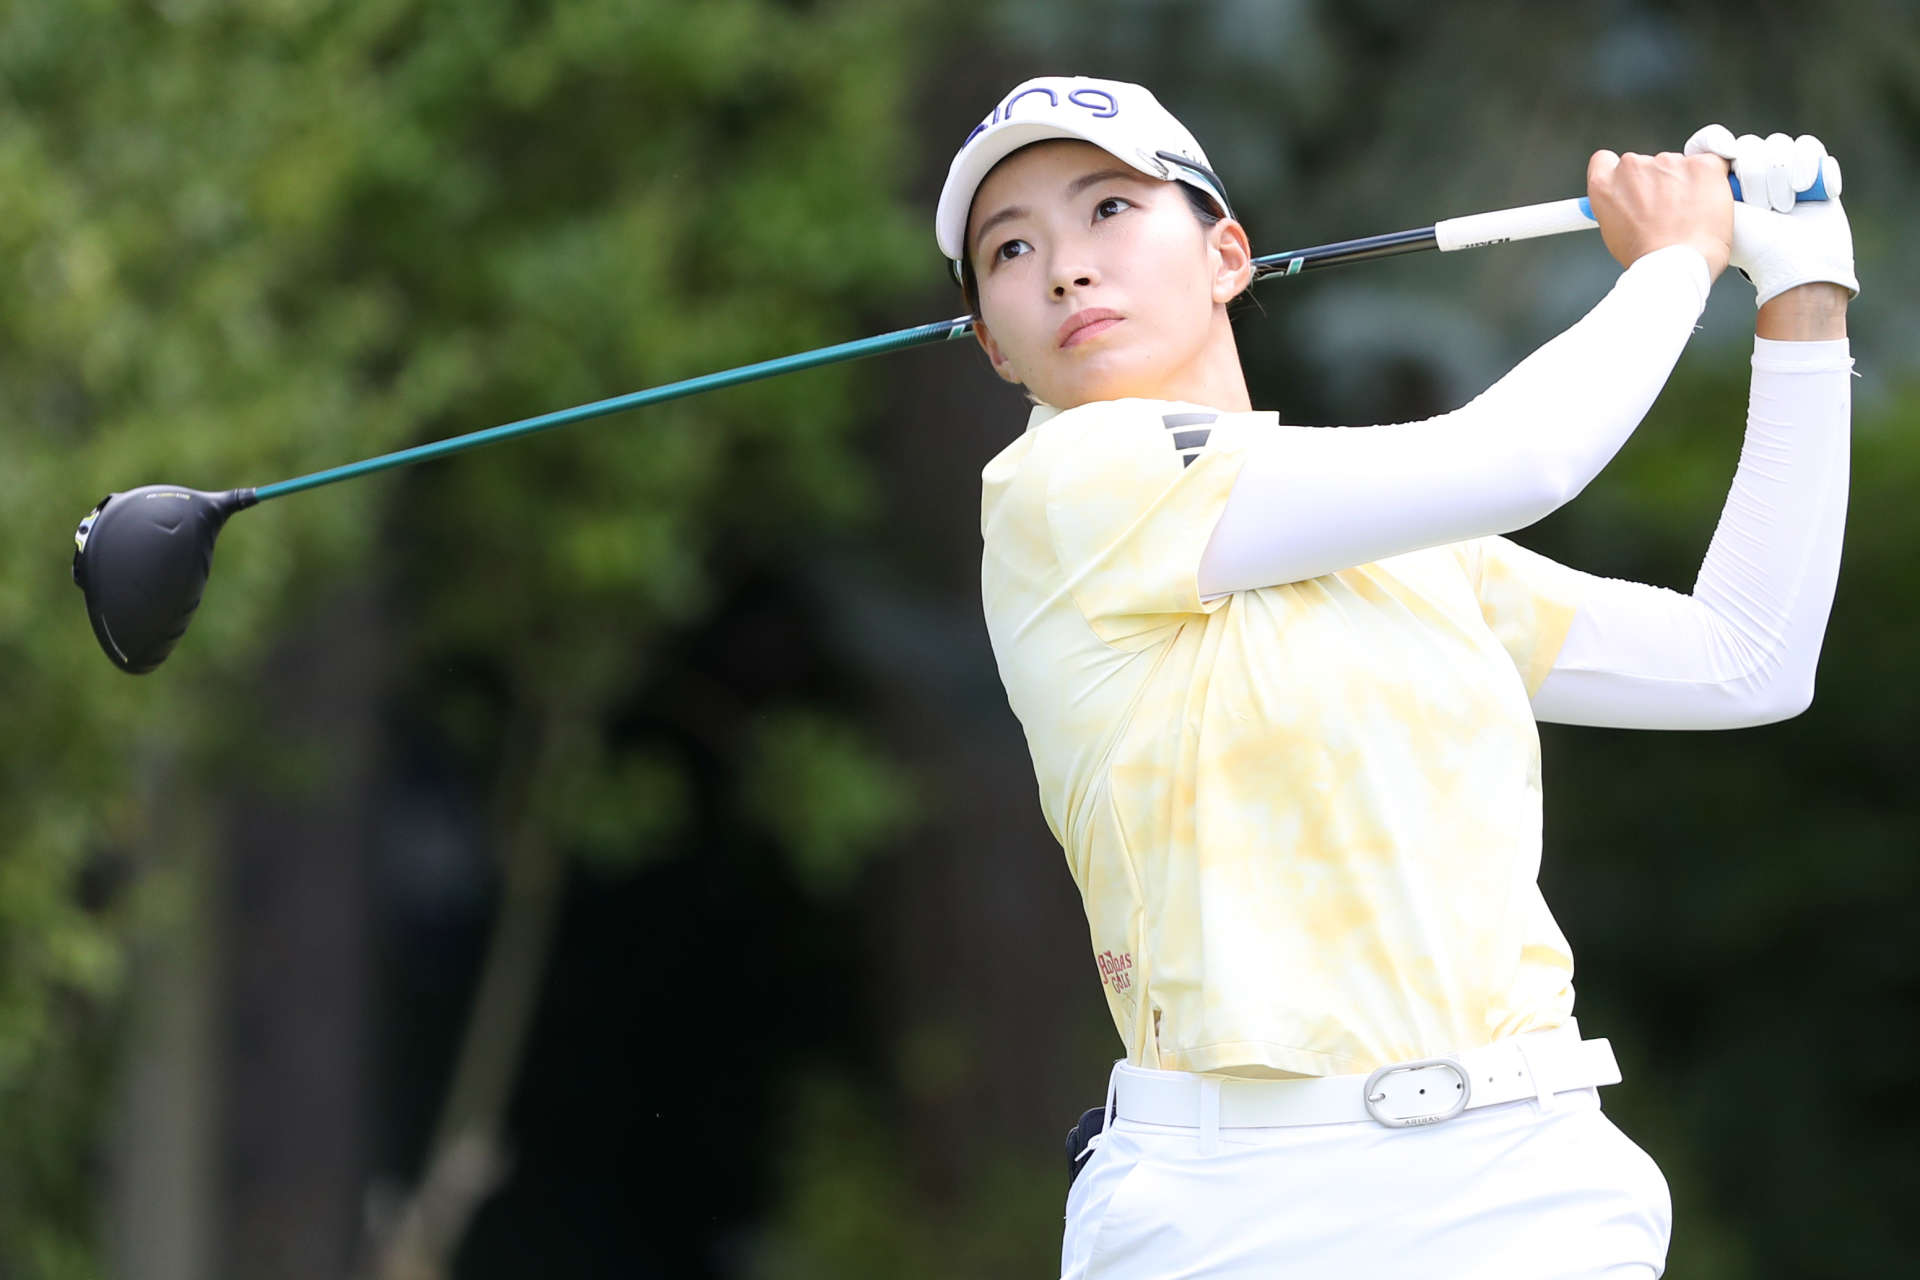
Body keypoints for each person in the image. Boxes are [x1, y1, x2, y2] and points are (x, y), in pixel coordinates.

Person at [940, 76, 1855, 1279]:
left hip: (1529, 1180)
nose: (1065, 266)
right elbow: (1520, 456)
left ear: (1227, 256)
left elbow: (1745, 658)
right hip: (1236, 1208)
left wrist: (1804, 297)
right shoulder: (1061, 491)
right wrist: (1674, 261)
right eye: (1013, 249)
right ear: (996, 345)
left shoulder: (1413, 551)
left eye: (1109, 209)